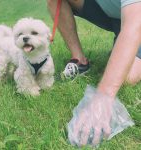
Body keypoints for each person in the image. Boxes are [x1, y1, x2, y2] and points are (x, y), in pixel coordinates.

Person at [47, 0, 141, 146]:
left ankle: (124, 47)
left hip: (135, 18)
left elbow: (134, 25)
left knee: (127, 78)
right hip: (113, 15)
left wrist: (103, 96)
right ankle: (79, 60)